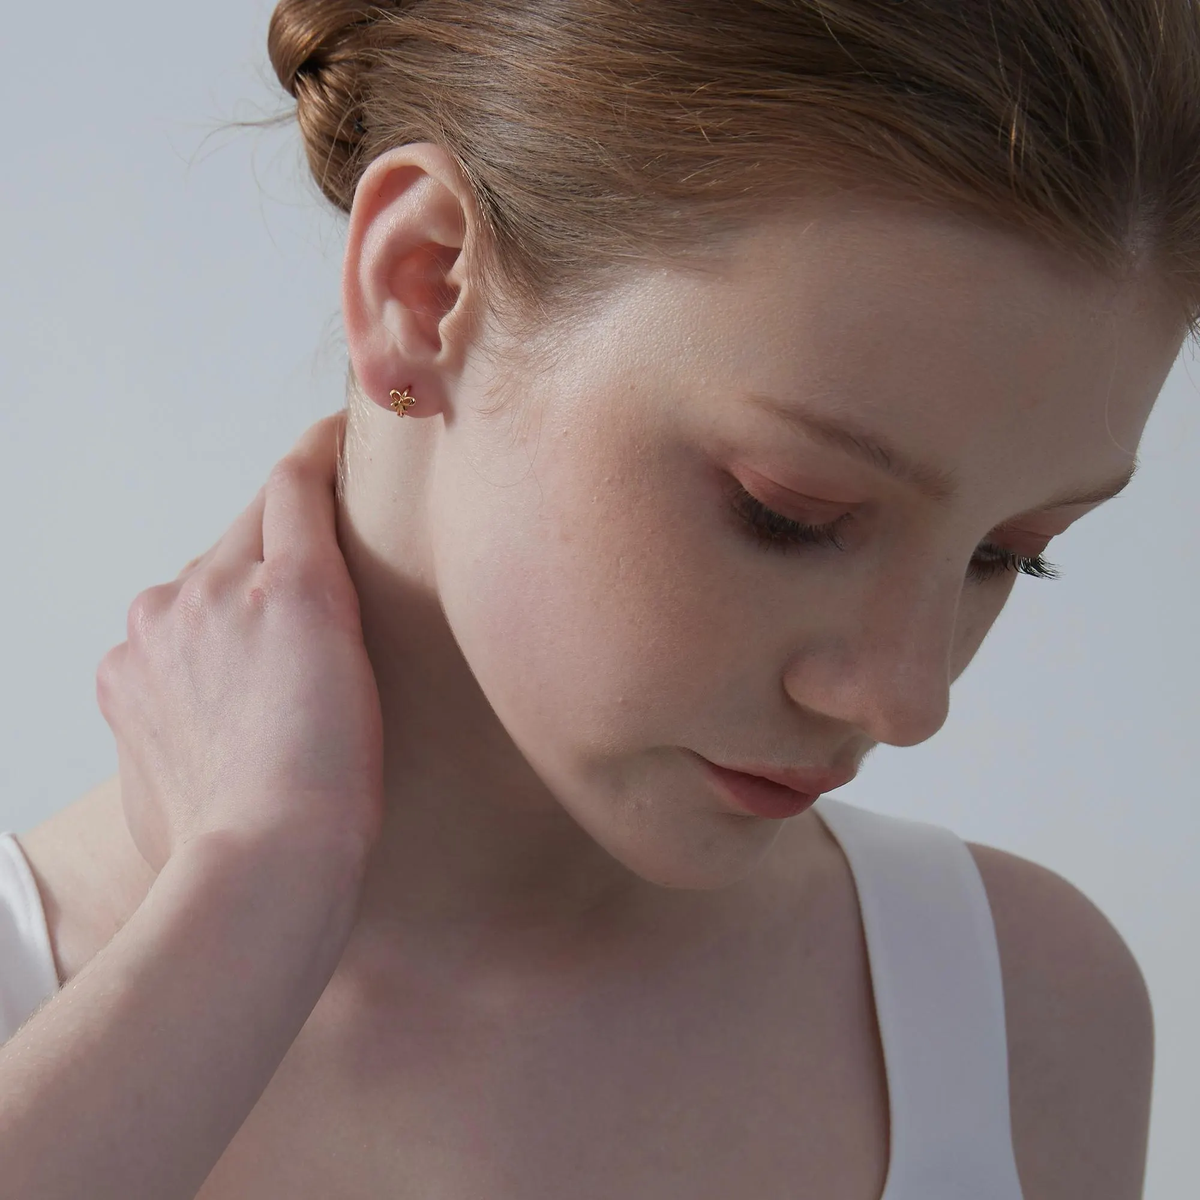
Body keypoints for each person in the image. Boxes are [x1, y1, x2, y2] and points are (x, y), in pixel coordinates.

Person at [0, 0, 1195, 1196]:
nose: (907, 700)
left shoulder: (1024, 1020)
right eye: (791, 512)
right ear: (426, 286)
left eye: (1010, 553)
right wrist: (246, 900)